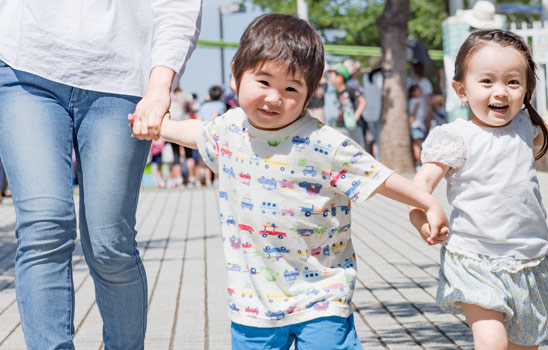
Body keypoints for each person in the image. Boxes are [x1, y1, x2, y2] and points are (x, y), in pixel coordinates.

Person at [130, 13, 449, 349]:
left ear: (310, 93)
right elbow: (194, 132)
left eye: (291, 88)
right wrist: (156, 125)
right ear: (236, 74)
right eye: (264, 82)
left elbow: (379, 178)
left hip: (323, 295)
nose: (273, 98)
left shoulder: (324, 143)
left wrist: (426, 202)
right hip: (253, 303)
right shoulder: (230, 128)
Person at [0, 0, 200, 348]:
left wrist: (160, 85)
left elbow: (177, 6)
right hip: (24, 65)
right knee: (44, 226)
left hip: (121, 78)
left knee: (110, 244)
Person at [409, 29, 548, 350]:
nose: (501, 91)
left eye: (512, 81)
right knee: (491, 342)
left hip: (531, 259)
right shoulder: (456, 135)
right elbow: (422, 183)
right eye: (487, 81)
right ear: (461, 89)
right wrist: (423, 215)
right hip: (474, 259)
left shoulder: (522, 126)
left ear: (526, 89)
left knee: (524, 345)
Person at [325, 64, 367, 147]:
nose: (330, 78)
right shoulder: (337, 93)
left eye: (332, 76)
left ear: (340, 77)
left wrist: (356, 116)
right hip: (341, 125)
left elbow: (363, 102)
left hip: (352, 125)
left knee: (358, 147)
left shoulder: (350, 90)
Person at [361, 56, 385, 157]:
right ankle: (379, 158)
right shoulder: (380, 76)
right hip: (379, 111)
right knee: (379, 138)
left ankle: (377, 158)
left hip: (368, 112)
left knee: (374, 138)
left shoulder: (366, 76)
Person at [408, 85, 429, 165]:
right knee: (417, 145)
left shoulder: (415, 101)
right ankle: (418, 162)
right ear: (412, 93)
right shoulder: (417, 101)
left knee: (416, 145)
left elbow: (414, 114)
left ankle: (418, 162)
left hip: (417, 125)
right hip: (418, 125)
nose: (420, 92)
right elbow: (415, 114)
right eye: (418, 91)